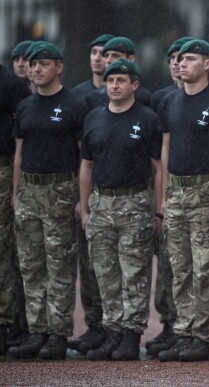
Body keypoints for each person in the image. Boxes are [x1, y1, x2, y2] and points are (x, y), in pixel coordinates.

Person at [157, 39, 209, 362]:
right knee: (180, 266)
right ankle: (183, 331)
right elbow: (164, 150)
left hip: (207, 191)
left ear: (207, 64)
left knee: (206, 268)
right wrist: (162, 197)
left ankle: (202, 337)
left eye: (190, 58)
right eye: (179, 59)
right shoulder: (170, 101)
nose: (181, 64)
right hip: (176, 191)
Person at [79, 59, 162, 361]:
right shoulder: (93, 119)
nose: (114, 85)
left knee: (135, 273)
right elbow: (86, 167)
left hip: (135, 202)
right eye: (110, 80)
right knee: (105, 273)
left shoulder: (148, 119)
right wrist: (86, 208)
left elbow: (158, 168)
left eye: (121, 81)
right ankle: (112, 331)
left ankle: (131, 334)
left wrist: (157, 209)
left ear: (134, 86)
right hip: (101, 204)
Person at [9, 42, 85, 360]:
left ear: (59, 67)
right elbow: (18, 153)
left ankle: (57, 334)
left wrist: (82, 197)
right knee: (31, 266)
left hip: (61, 191)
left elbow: (85, 156)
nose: (36, 69)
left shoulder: (73, 105)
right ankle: (36, 330)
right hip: (29, 190)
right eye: (33, 64)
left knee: (60, 267)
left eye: (43, 64)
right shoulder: (25, 106)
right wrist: (16, 193)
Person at [66, 33, 114, 357]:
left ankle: (115, 328)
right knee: (89, 263)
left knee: (113, 265)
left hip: (120, 189)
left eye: (105, 53)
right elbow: (76, 151)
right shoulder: (79, 97)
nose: (98, 58)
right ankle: (94, 325)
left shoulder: (135, 97)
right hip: (89, 188)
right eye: (94, 52)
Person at [144, 36, 192, 358]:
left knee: (190, 266)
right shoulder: (160, 99)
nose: (177, 62)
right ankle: (169, 324)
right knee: (168, 266)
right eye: (173, 58)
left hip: (196, 191)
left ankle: (190, 329)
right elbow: (155, 155)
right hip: (166, 190)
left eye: (183, 57)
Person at [0, 61, 30, 356]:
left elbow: (22, 140)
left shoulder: (10, 84)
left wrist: (14, 188)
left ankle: (5, 323)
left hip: (3, 170)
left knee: (4, 250)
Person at [84, 37, 151, 110]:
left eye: (115, 56)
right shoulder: (94, 97)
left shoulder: (143, 97)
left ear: (130, 59)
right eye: (106, 56)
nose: (108, 60)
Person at [71, 34, 114, 98]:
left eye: (103, 54)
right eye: (94, 52)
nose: (97, 58)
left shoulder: (120, 93)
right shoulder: (77, 93)